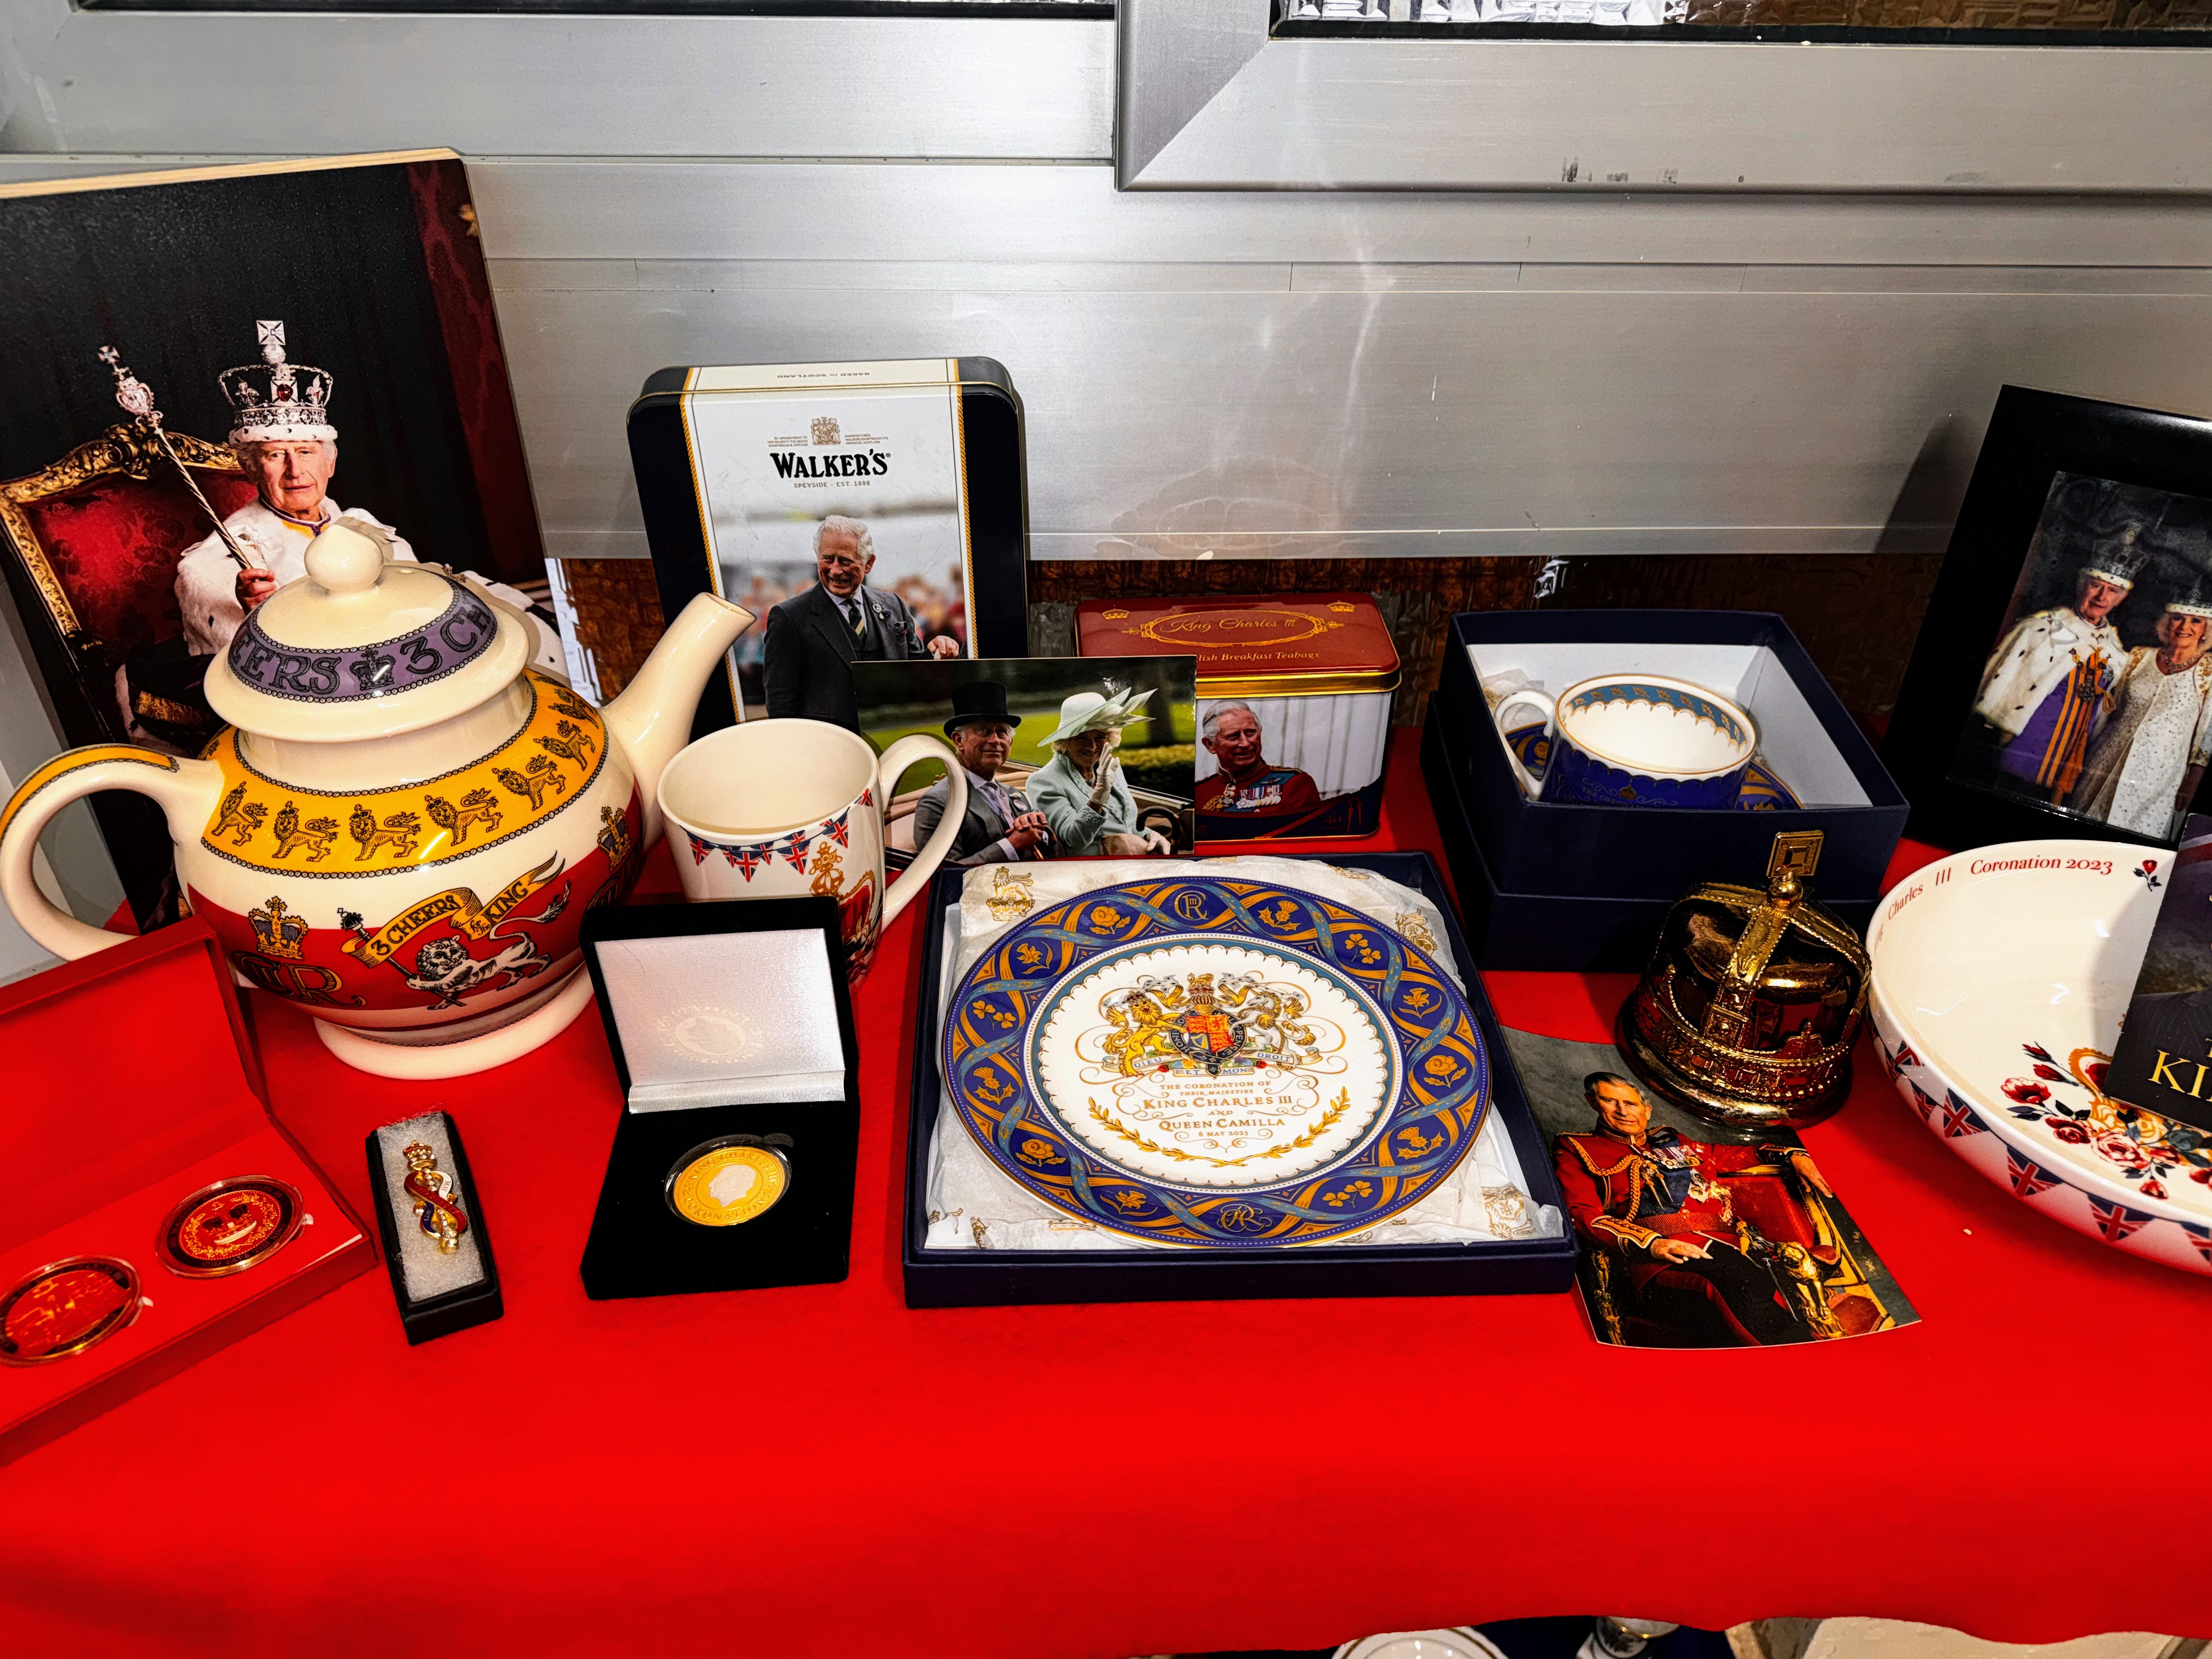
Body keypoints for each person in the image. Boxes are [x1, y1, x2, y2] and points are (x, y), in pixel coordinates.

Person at [174, 320, 418, 656]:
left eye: (306, 452)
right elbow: (241, 663)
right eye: (276, 455)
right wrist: (254, 615)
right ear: (251, 469)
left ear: (330, 463)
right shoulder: (221, 561)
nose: (295, 471)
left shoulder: (361, 525)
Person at [1552, 1071, 1834, 1347]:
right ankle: (1799, 1358)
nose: (1623, 1111)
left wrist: (1791, 1154)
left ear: (1647, 1110)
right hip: (1659, 1258)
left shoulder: (1671, 1140)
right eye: (1610, 1101)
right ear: (1593, 1102)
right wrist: (1651, 1244)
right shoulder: (1577, 1147)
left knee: (1776, 1274)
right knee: (1738, 1277)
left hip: (1733, 1244)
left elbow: (1726, 1155)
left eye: (1630, 1103)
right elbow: (1581, 1213)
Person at [1971, 534, 2143, 806]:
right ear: (2082, 585)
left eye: (2112, 591)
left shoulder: (2116, 653)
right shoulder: (2042, 629)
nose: (2102, 597)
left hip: (2071, 754)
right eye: (2096, 586)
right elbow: (1998, 686)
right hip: (2023, 746)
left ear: (2120, 599)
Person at [760, 515, 960, 729]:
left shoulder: (893, 605)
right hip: (827, 743)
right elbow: (780, 701)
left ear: (869, 563)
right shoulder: (789, 616)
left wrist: (938, 653)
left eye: (845, 561)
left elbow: (915, 669)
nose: (835, 570)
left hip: (890, 737)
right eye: (827, 559)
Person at [2073, 582, 2212, 837]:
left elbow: (2206, 739)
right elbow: (2107, 709)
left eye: (2195, 621)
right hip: (2106, 762)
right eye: (2178, 618)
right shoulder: (2138, 657)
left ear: (2206, 629)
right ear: (2167, 622)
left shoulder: (2209, 672)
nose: (2184, 627)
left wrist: (2192, 783)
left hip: (2160, 777)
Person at [910, 680, 1052, 866]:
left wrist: (1041, 831)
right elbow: (944, 872)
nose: (995, 740)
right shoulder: (938, 802)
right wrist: (1011, 845)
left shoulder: (1014, 795)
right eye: (984, 731)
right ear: (959, 740)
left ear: (1010, 742)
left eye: (1002, 732)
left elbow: (1052, 854)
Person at [1029, 689, 1171, 857]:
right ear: (1065, 741)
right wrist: (1098, 799)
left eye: (1100, 737)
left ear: (1109, 737)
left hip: (1131, 859)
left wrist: (1149, 835)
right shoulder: (1044, 781)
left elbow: (1126, 825)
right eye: (1081, 738)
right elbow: (1073, 839)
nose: (1092, 746)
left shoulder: (1110, 767)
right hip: (1092, 868)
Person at [1195, 701, 1322, 820]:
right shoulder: (1199, 791)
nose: (1245, 743)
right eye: (1233, 736)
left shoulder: (1293, 784)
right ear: (1210, 745)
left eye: (1250, 732)